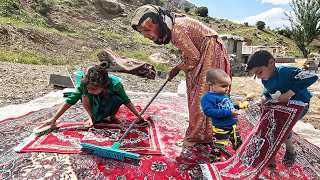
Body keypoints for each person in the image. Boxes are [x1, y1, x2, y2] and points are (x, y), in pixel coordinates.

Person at [131, 5, 231, 147]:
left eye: (147, 30)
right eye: (142, 32)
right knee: (194, 89)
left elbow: (194, 57)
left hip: (210, 49)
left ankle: (199, 136)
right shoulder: (171, 24)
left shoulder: (177, 30)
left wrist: (177, 68)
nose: (145, 35)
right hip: (205, 49)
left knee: (202, 93)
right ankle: (201, 128)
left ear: (159, 22)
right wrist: (180, 68)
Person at [246, 50, 318, 167]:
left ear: (271, 63)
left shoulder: (287, 72)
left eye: (259, 72)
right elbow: (268, 90)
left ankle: (289, 150)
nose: (259, 76)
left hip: (300, 103)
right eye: (256, 75)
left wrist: (290, 93)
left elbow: (312, 77)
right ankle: (270, 155)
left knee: (282, 126)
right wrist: (264, 97)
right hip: (284, 105)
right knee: (269, 124)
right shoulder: (265, 79)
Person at [38, 63, 146, 128]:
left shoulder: (116, 85)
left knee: (118, 98)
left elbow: (127, 101)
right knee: (84, 95)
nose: (90, 90)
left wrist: (139, 115)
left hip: (107, 99)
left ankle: (113, 117)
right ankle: (92, 117)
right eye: (88, 88)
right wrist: (54, 119)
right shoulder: (86, 86)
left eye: (93, 89)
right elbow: (69, 101)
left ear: (104, 85)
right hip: (94, 100)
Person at [200, 68, 246, 162]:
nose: (227, 88)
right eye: (223, 86)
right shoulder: (207, 98)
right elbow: (209, 112)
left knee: (237, 141)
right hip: (221, 127)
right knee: (219, 144)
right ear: (210, 85)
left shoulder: (224, 95)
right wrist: (229, 113)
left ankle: (240, 156)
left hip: (233, 126)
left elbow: (228, 107)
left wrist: (238, 106)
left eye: (228, 86)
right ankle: (214, 159)